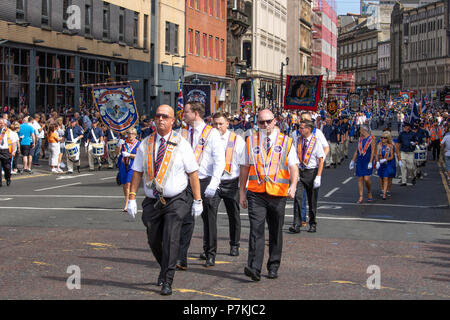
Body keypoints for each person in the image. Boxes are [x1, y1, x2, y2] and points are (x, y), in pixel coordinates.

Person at [126, 104, 202, 296]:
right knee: (153, 238)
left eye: (165, 117)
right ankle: (164, 267)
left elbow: (193, 174)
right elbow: (137, 172)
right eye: (158, 116)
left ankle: (167, 280)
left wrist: (198, 200)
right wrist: (132, 198)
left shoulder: (181, 143)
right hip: (153, 201)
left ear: (172, 121)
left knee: (170, 237)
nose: (160, 119)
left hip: (177, 199)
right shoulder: (146, 143)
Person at [239, 109, 299, 281]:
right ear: (256, 123)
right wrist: (242, 192)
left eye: (268, 121)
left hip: (278, 193)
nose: (265, 125)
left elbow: (293, 166)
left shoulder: (286, 142)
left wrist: (293, 186)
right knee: (255, 230)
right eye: (261, 122)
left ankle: (273, 265)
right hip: (256, 193)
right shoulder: (250, 141)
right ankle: (254, 268)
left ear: (275, 122)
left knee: (275, 231)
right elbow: (244, 167)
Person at [177, 101, 225, 269]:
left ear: (196, 113)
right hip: (188, 181)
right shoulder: (183, 132)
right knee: (185, 218)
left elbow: (220, 161)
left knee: (209, 219)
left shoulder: (211, 133)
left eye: (187, 112)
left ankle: (210, 253)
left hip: (206, 180)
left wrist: (214, 182)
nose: (184, 115)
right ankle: (181, 257)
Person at [210, 112, 245, 257]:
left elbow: (244, 164)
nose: (217, 127)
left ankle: (234, 244)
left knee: (234, 215)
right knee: (210, 216)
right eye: (215, 124)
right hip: (215, 182)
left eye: (220, 124)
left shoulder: (237, 140)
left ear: (227, 124)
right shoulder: (208, 139)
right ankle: (210, 249)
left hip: (231, 181)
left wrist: (242, 187)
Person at [290, 119, 325, 233]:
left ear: (308, 129)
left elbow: (320, 160)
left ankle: (313, 223)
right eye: (299, 128)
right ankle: (297, 223)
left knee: (312, 200)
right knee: (298, 198)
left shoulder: (316, 142)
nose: (299, 130)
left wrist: (318, 176)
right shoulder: (297, 141)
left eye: (301, 128)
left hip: (312, 172)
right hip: (300, 171)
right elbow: (293, 157)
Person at [349, 125, 376, 203]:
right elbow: (357, 151)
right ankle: (361, 196)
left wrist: (371, 162)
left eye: (360, 129)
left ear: (364, 130)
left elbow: (373, 151)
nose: (359, 131)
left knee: (366, 179)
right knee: (360, 178)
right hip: (360, 160)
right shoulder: (360, 139)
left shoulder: (371, 139)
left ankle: (369, 191)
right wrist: (353, 161)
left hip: (367, 160)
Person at [116, 127, 141, 212]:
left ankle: (127, 204)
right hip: (123, 165)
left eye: (132, 134)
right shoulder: (124, 142)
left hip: (132, 166)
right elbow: (117, 152)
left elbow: (139, 156)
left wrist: (129, 155)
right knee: (124, 185)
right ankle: (130, 200)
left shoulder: (138, 144)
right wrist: (119, 145)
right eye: (129, 133)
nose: (130, 135)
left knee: (128, 184)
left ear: (135, 135)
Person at [375, 131, 394, 200]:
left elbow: (392, 156)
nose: (382, 139)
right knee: (381, 177)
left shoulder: (390, 146)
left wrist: (386, 159)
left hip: (387, 164)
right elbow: (376, 155)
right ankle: (382, 189)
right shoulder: (379, 145)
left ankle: (384, 194)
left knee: (386, 178)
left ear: (387, 139)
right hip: (380, 164)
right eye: (381, 138)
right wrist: (377, 162)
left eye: (384, 138)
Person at [0, 118, 17, 186]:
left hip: (6, 151)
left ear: (5, 124)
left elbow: (13, 143)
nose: (0, 125)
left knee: (7, 167)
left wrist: (13, 151)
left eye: (1, 123)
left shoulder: (10, 132)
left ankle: (8, 178)